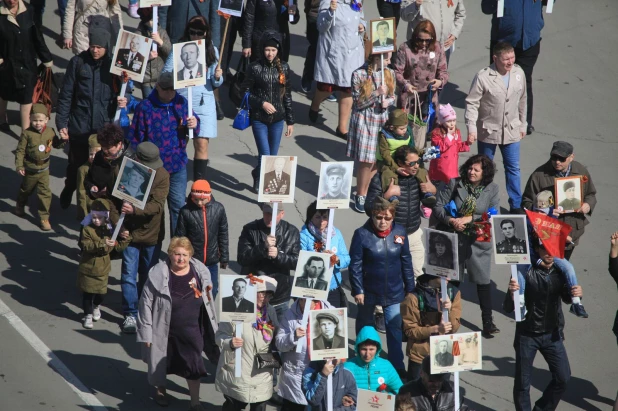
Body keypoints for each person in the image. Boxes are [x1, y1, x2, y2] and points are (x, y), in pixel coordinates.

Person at [137, 237, 219, 410]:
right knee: (162, 361)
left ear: (190, 255)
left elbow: (209, 296)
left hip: (193, 329)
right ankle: (161, 391)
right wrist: (146, 333)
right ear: (170, 254)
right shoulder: (158, 274)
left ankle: (195, 402)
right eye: (177, 254)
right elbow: (145, 304)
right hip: (165, 329)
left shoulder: (200, 271)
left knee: (194, 363)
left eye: (184, 254)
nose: (181, 258)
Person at [504, 238, 582, 411]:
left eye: (552, 248)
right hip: (527, 335)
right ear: (537, 250)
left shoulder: (560, 271)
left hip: (552, 334)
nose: (549, 253)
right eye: (544, 249)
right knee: (523, 384)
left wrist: (576, 293)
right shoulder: (524, 271)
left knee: (563, 378)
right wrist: (511, 294)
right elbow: (508, 307)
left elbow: (566, 297)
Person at [433, 154, 500, 338]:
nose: (472, 172)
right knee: (452, 282)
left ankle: (488, 321)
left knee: (483, 282)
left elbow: (494, 214)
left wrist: (471, 218)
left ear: (484, 173)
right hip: (453, 238)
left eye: (476, 170)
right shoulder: (455, 183)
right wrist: (451, 220)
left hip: (477, 241)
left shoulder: (492, 189)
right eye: (470, 168)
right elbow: (438, 207)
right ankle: (448, 320)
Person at [127, 72, 199, 236]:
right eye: (166, 89)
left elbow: (195, 127)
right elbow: (135, 138)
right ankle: (151, 245)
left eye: (173, 89)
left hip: (177, 165)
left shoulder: (182, 103)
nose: (170, 93)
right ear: (157, 86)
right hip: (152, 168)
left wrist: (194, 123)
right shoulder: (145, 107)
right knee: (152, 209)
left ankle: (177, 249)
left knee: (178, 207)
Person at [350, 197, 415, 374]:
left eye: (387, 218)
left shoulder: (400, 232)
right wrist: (358, 289)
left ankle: (397, 366)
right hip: (368, 290)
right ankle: (363, 361)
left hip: (394, 290)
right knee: (366, 326)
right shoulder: (361, 234)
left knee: (394, 327)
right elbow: (355, 264)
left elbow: (406, 261)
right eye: (379, 217)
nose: (383, 222)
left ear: (393, 218)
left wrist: (410, 288)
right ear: (372, 215)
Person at [56, 28, 119, 209]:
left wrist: (125, 96)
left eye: (99, 47)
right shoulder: (77, 62)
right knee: (76, 165)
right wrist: (62, 123)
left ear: (106, 47)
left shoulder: (114, 65)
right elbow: (66, 95)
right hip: (80, 126)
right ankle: (69, 188)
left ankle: (92, 208)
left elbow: (123, 93)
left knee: (99, 170)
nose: (95, 50)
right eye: (92, 46)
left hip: (103, 129)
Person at [464, 41, 527, 214]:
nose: (510, 62)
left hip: (512, 130)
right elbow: (471, 103)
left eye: (512, 57)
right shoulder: (483, 77)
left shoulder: (518, 73)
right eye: (506, 59)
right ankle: (480, 203)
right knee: (483, 170)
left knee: (513, 168)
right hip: (488, 131)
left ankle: (516, 204)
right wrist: (471, 129)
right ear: (495, 58)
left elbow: (523, 99)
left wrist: (523, 124)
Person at [116, 142, 169, 334]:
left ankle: (144, 308)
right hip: (129, 232)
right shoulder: (127, 168)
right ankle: (130, 312)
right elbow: (115, 200)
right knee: (128, 275)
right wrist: (119, 223)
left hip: (151, 234)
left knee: (147, 275)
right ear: (137, 159)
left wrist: (134, 209)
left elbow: (157, 206)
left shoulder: (162, 175)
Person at [162, 16, 223, 181]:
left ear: (206, 33)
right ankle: (171, 177)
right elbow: (165, 75)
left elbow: (215, 82)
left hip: (203, 103)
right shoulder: (178, 49)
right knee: (179, 143)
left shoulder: (212, 50)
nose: (195, 36)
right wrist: (178, 74)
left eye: (199, 33)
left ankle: (199, 183)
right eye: (192, 32)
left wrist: (217, 76)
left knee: (201, 143)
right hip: (182, 101)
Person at [366, 146, 437, 278]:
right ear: (399, 163)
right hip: (391, 236)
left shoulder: (420, 176)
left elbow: (432, 204)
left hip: (414, 233)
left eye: (417, 162)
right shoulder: (382, 178)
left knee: (417, 274)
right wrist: (386, 196)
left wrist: (433, 191)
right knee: (392, 277)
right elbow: (369, 208)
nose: (416, 166)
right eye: (411, 163)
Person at [515, 190, 588, 319]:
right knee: (520, 269)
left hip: (550, 255)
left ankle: (576, 302)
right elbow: (526, 247)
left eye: (542, 212)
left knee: (568, 267)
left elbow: (557, 241)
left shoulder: (552, 221)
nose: (538, 214)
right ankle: (520, 304)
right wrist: (538, 261)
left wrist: (565, 240)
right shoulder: (527, 222)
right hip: (532, 255)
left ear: (549, 210)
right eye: (536, 210)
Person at [521, 141, 597, 260]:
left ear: (571, 157)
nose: (557, 162)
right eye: (554, 157)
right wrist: (543, 212)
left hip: (572, 230)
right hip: (548, 232)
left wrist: (588, 205)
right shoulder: (539, 175)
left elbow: (591, 194)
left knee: (563, 265)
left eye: (562, 159)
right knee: (547, 266)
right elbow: (526, 201)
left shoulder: (581, 170)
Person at [215, 275, 280, 410]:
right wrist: (230, 342)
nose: (264, 298)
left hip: (262, 370)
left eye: (268, 295)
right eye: (261, 293)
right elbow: (220, 336)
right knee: (234, 405)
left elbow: (278, 336)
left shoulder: (271, 311)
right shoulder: (234, 309)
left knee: (259, 405)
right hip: (239, 368)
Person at [482, 0, 547, 135]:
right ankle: (494, 118)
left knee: (524, 81)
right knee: (497, 80)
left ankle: (525, 121)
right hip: (503, 41)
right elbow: (486, 8)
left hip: (529, 40)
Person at [242, 32, 294, 192]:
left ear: (278, 50)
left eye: (273, 50)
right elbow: (244, 93)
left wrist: (290, 121)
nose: (270, 53)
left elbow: (288, 95)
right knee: (265, 155)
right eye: (267, 50)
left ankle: (257, 173)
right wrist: (262, 103)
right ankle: (265, 192)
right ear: (262, 50)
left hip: (278, 120)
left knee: (272, 156)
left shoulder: (284, 68)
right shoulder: (255, 67)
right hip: (259, 119)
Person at [345, 52, 396, 212]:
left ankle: (368, 190)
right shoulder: (358, 74)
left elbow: (393, 96)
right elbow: (358, 103)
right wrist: (376, 94)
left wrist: (389, 100)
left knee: (377, 159)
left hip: (381, 120)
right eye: (387, 58)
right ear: (376, 58)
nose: (389, 61)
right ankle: (360, 194)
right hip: (364, 121)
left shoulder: (389, 73)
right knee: (366, 161)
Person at [310, 0, 366, 139]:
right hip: (335, 54)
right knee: (326, 88)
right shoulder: (329, 2)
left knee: (348, 89)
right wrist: (330, 12)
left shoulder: (356, 2)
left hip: (353, 54)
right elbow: (321, 26)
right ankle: (315, 104)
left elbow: (362, 18)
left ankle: (342, 128)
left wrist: (362, 26)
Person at [237, 203, 300, 323]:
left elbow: (297, 262)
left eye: (274, 214)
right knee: (255, 336)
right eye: (267, 213)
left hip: (280, 296)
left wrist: (279, 256)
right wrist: (262, 247)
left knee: (279, 336)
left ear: (282, 214)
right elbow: (242, 258)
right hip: (254, 295)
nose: (270, 217)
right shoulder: (250, 229)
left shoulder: (291, 231)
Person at [0, 0, 53, 132]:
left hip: (27, 64)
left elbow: (37, 36)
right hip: (7, 64)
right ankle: (1, 118)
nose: (12, 0)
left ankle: (26, 135)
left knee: (27, 97)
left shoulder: (29, 10)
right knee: (3, 93)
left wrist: (46, 59)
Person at [394, 19, 448, 148]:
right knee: (406, 134)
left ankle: (420, 163)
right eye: (420, 40)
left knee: (424, 134)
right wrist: (406, 84)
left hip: (429, 98)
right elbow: (397, 72)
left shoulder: (438, 48)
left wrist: (440, 81)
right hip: (410, 98)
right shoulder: (405, 48)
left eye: (428, 40)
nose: (424, 43)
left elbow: (444, 71)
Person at [78, 199, 130, 329]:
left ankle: (96, 306)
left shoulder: (109, 230)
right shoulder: (87, 229)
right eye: (94, 217)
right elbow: (86, 246)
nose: (96, 220)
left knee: (101, 293)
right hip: (88, 266)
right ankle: (88, 315)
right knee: (87, 293)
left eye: (99, 218)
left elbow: (116, 248)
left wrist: (126, 239)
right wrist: (103, 243)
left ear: (105, 217)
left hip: (103, 267)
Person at [14, 104, 66, 231]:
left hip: (44, 169)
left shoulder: (50, 132)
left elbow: (57, 145)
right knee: (26, 189)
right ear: (30, 119)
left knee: (45, 193)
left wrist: (63, 140)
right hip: (31, 169)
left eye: (41, 120)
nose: (38, 123)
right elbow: (20, 150)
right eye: (35, 120)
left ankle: (44, 217)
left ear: (47, 120)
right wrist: (19, 165)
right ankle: (20, 204)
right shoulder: (27, 134)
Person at [277, 298, 333, 410]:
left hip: (319, 376)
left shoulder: (331, 312)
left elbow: (340, 346)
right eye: (302, 300)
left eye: (308, 301)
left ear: (316, 301)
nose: (303, 304)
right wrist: (293, 336)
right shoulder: (290, 314)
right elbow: (279, 344)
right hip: (294, 376)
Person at [175, 179, 229, 297]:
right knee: (193, 291)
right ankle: (196, 313)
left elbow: (223, 234)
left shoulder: (219, 209)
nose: (199, 203)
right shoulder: (185, 211)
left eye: (202, 199)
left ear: (209, 196)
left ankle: (207, 314)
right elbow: (180, 237)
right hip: (193, 261)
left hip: (211, 261)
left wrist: (224, 257)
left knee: (212, 290)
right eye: (196, 199)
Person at [401, 274, 460, 381]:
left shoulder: (453, 293)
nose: (449, 279)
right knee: (415, 393)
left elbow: (454, 328)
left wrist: (449, 310)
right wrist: (436, 329)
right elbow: (410, 331)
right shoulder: (413, 297)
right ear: (433, 274)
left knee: (441, 393)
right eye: (445, 275)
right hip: (420, 355)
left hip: (444, 356)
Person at [377, 109, 434, 207]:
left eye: (405, 127)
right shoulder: (384, 135)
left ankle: (426, 193)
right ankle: (392, 196)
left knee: (421, 170)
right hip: (387, 161)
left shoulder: (407, 131)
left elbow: (411, 148)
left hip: (403, 157)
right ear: (392, 128)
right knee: (388, 174)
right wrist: (396, 168)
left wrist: (423, 153)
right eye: (401, 129)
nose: (405, 130)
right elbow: (385, 153)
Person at [300, 201, 350, 308]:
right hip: (312, 288)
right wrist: (320, 257)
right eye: (317, 217)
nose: (322, 221)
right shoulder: (304, 236)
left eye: (325, 217)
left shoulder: (336, 233)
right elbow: (300, 262)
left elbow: (347, 258)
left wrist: (337, 259)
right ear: (310, 218)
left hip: (332, 287)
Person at [85, 124, 135, 225]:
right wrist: (92, 188)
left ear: (119, 144)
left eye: (108, 148)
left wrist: (109, 192)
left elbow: (132, 193)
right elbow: (89, 178)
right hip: (99, 210)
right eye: (103, 147)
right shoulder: (100, 156)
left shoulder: (131, 161)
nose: (105, 151)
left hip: (118, 214)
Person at [400, 0, 466, 64]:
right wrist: (415, 5)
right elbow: (404, 15)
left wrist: (455, 33)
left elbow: (460, 14)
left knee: (442, 74)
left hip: (444, 48)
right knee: (418, 75)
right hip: (421, 48)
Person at [344, 326, 403, 393]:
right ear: (357, 349)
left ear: (377, 349)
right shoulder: (347, 367)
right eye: (364, 349)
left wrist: (387, 399)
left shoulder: (386, 366)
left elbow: (400, 390)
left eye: (371, 349)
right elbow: (336, 392)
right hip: (355, 403)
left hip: (380, 403)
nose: (367, 354)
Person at [429, 103, 471, 186]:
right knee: (439, 184)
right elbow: (439, 148)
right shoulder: (436, 133)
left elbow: (457, 146)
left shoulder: (456, 132)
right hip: (440, 166)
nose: (452, 124)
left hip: (452, 165)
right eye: (449, 121)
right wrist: (449, 136)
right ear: (442, 122)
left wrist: (467, 144)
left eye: (454, 120)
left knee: (450, 184)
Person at [135, 7, 171, 98]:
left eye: (157, 17)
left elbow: (170, 52)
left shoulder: (162, 32)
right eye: (152, 19)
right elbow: (135, 56)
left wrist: (160, 42)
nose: (156, 19)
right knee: (148, 103)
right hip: (146, 78)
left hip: (160, 77)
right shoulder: (139, 34)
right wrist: (147, 57)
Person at [76, 135, 101, 222]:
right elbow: (81, 192)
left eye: (97, 154)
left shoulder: (106, 167)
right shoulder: (83, 169)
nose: (93, 157)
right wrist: (83, 214)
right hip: (89, 206)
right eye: (91, 154)